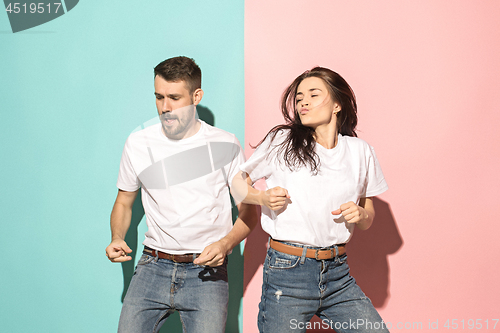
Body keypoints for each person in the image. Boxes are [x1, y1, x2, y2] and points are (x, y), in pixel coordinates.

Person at [105, 56, 259, 333]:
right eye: (159, 97)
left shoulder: (225, 144)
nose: (165, 107)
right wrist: (117, 237)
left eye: (175, 98)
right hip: (153, 266)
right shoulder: (138, 143)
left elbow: (249, 212)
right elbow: (124, 202)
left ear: (196, 96)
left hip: (206, 273)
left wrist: (224, 245)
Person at [231, 67, 390, 333]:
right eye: (299, 97)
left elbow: (368, 216)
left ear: (337, 104)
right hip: (288, 271)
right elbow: (237, 183)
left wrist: (361, 215)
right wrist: (262, 198)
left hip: (337, 273)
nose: (303, 102)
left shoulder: (360, 152)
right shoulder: (282, 141)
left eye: (314, 95)